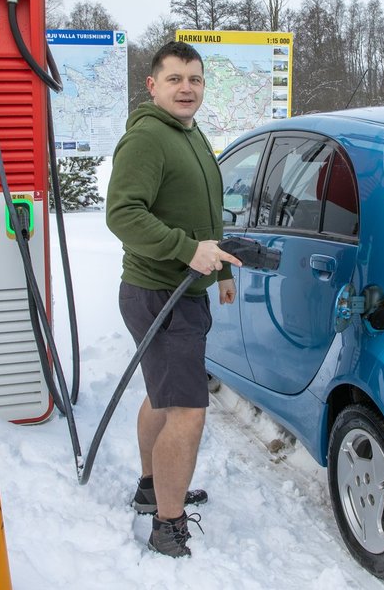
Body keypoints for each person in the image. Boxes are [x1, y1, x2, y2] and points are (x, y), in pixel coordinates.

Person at [105, 40, 241, 558]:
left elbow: (204, 209)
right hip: (158, 292)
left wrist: (220, 265)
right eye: (176, 79)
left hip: (182, 290)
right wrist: (187, 251)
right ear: (153, 85)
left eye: (196, 79)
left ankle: (150, 488)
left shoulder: (189, 131)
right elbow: (122, 214)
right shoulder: (147, 140)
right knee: (187, 410)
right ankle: (167, 522)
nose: (187, 88)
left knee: (163, 396)